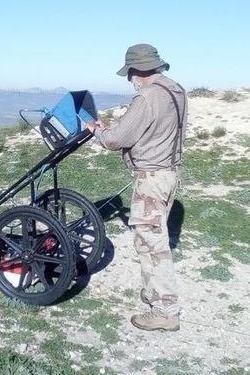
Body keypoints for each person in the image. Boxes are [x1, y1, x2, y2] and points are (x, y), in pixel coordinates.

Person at [84, 43, 187, 332]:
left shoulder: (147, 97)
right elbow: (153, 129)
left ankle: (165, 311)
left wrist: (97, 130)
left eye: (130, 73)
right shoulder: (175, 89)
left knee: (152, 245)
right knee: (152, 238)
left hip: (152, 178)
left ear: (138, 70)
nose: (130, 79)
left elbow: (116, 140)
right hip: (169, 172)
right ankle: (154, 292)